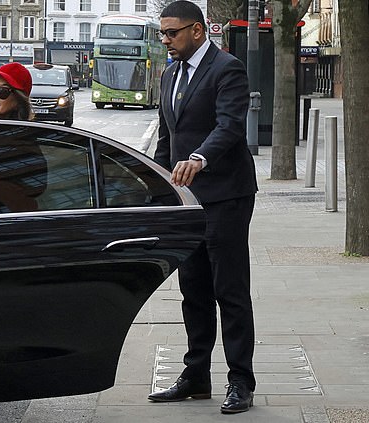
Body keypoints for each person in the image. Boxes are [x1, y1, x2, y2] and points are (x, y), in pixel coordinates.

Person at [147, 0, 258, 415]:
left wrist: (199, 158)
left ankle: (240, 382)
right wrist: (155, 181)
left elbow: (229, 125)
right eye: (162, 32)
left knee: (229, 290)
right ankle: (196, 376)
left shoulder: (226, 68)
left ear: (197, 31)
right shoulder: (170, 72)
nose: (165, 39)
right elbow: (166, 134)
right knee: (192, 290)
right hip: (186, 199)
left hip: (226, 194)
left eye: (171, 32)